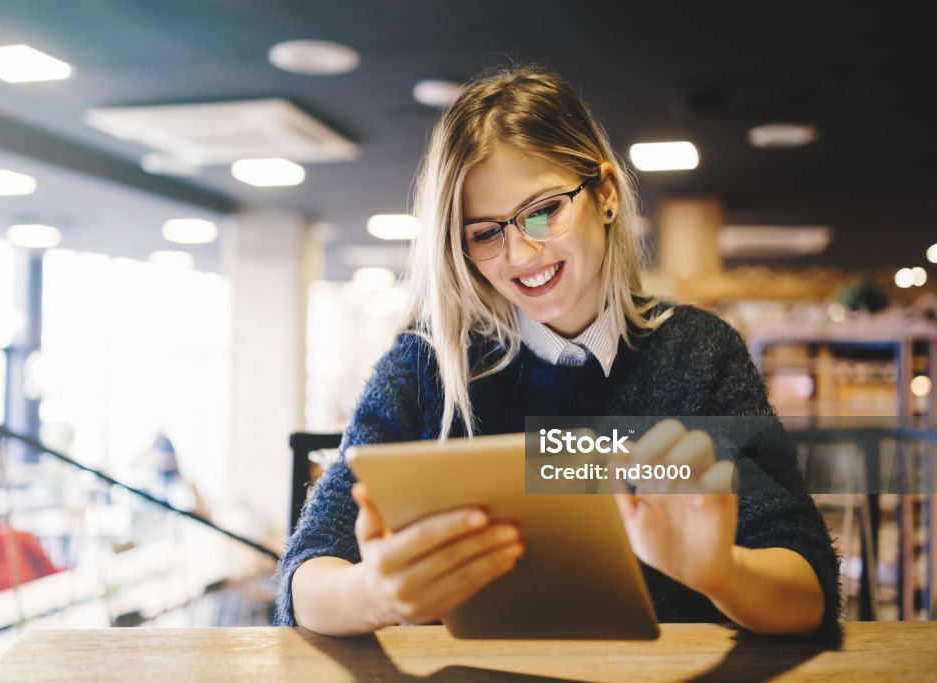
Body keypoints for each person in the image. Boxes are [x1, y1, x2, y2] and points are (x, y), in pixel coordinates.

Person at [276, 65, 839, 637]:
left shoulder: (699, 353)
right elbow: (308, 574)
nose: (520, 254)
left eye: (543, 210)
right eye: (486, 232)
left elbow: (807, 591)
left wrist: (721, 571)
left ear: (606, 194)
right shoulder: (427, 364)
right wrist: (373, 593)